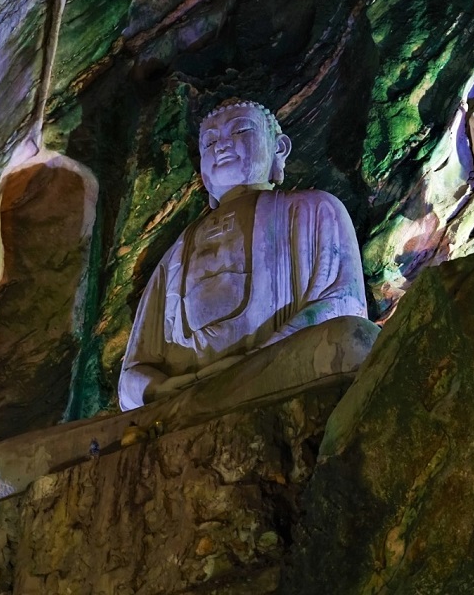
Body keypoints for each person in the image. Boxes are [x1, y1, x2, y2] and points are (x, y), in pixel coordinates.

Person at [118, 99, 367, 411]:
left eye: (240, 131)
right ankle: (205, 397)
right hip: (184, 392)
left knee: (353, 338)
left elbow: (344, 305)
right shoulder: (174, 255)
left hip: (277, 366)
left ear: (278, 149)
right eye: (209, 141)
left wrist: (259, 358)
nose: (221, 146)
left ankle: (214, 395)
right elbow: (131, 375)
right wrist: (160, 387)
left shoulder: (314, 209)